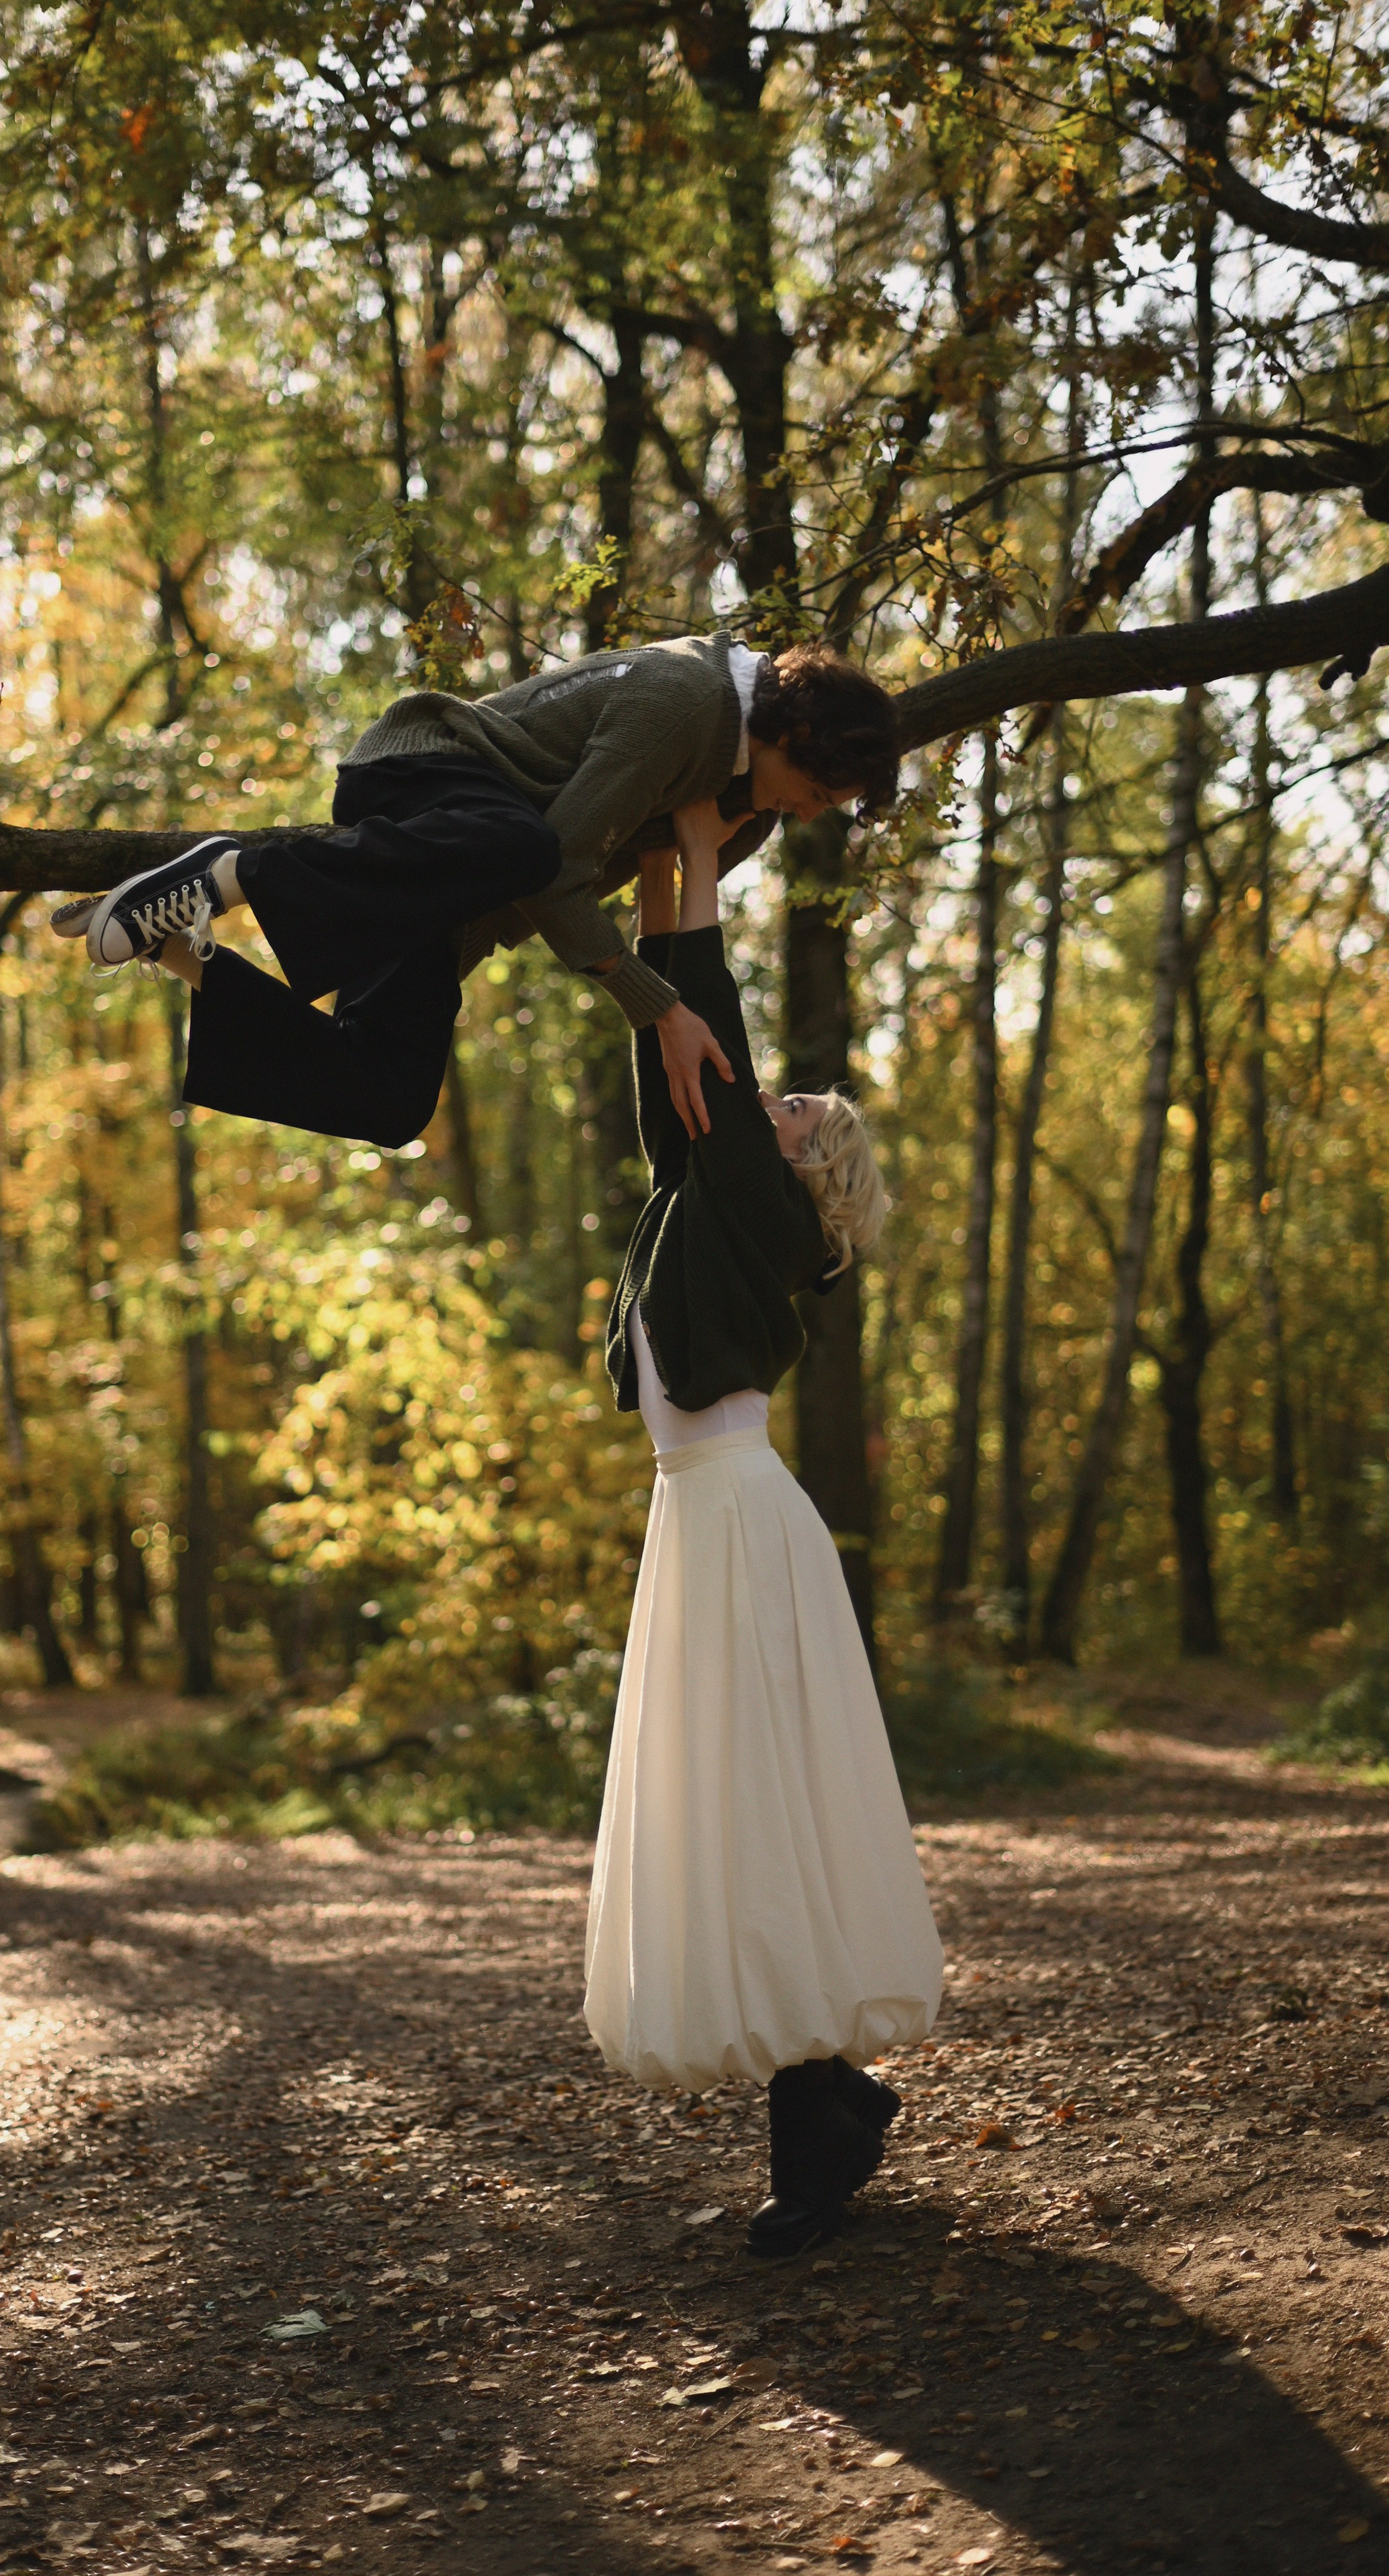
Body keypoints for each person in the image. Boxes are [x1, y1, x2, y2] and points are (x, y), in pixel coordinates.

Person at [582, 802, 943, 2261]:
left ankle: (818, 2135)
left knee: (759, 1814)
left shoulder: (775, 1222)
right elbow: (666, 1067)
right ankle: (831, 2107)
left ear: (810, 1168)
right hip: (705, 1522)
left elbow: (707, 1045)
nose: (773, 1105)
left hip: (738, 1522)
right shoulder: (709, 1201)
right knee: (743, 1814)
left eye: (799, 1113)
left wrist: (697, 865)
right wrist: (665, 894)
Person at [50, 634, 898, 1147]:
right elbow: (560, 862)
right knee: (526, 845)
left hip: (450, 891)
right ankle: (231, 870)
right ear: (791, 732)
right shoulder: (688, 701)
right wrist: (659, 1009)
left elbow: (652, 916)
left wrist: (700, 860)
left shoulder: (751, 808)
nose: (810, 813)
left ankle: (175, 943)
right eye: (818, 792)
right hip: (426, 775)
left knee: (390, 1099)